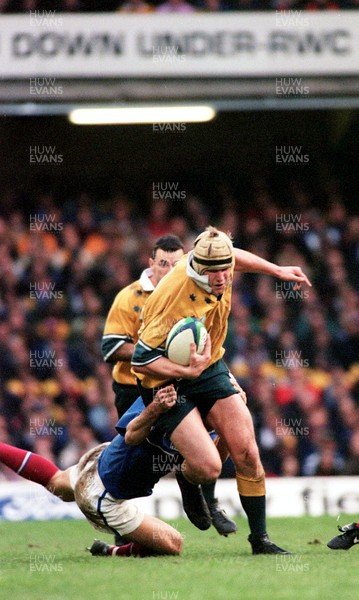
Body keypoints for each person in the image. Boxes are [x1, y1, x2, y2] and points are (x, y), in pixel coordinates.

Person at [132, 226, 312, 554]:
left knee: (247, 451)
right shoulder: (172, 296)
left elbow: (233, 258)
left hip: (209, 365)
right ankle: (188, 478)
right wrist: (184, 370)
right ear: (197, 268)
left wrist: (275, 269)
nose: (222, 278)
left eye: (225, 270)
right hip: (166, 380)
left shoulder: (215, 262)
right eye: (213, 272)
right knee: (209, 466)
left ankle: (260, 540)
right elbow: (141, 360)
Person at [102, 233, 236, 536]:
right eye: (163, 263)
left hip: (180, 381)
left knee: (215, 433)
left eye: (175, 264)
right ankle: (122, 526)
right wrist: (151, 350)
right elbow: (109, 348)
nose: (169, 269)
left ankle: (207, 499)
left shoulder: (190, 288)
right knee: (140, 459)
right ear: (152, 263)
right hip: (135, 388)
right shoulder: (130, 297)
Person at [0, 386, 187, 558]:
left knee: (57, 481)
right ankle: (113, 552)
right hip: (103, 491)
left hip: (104, 459)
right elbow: (132, 435)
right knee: (173, 543)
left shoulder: (166, 390)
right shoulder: (170, 399)